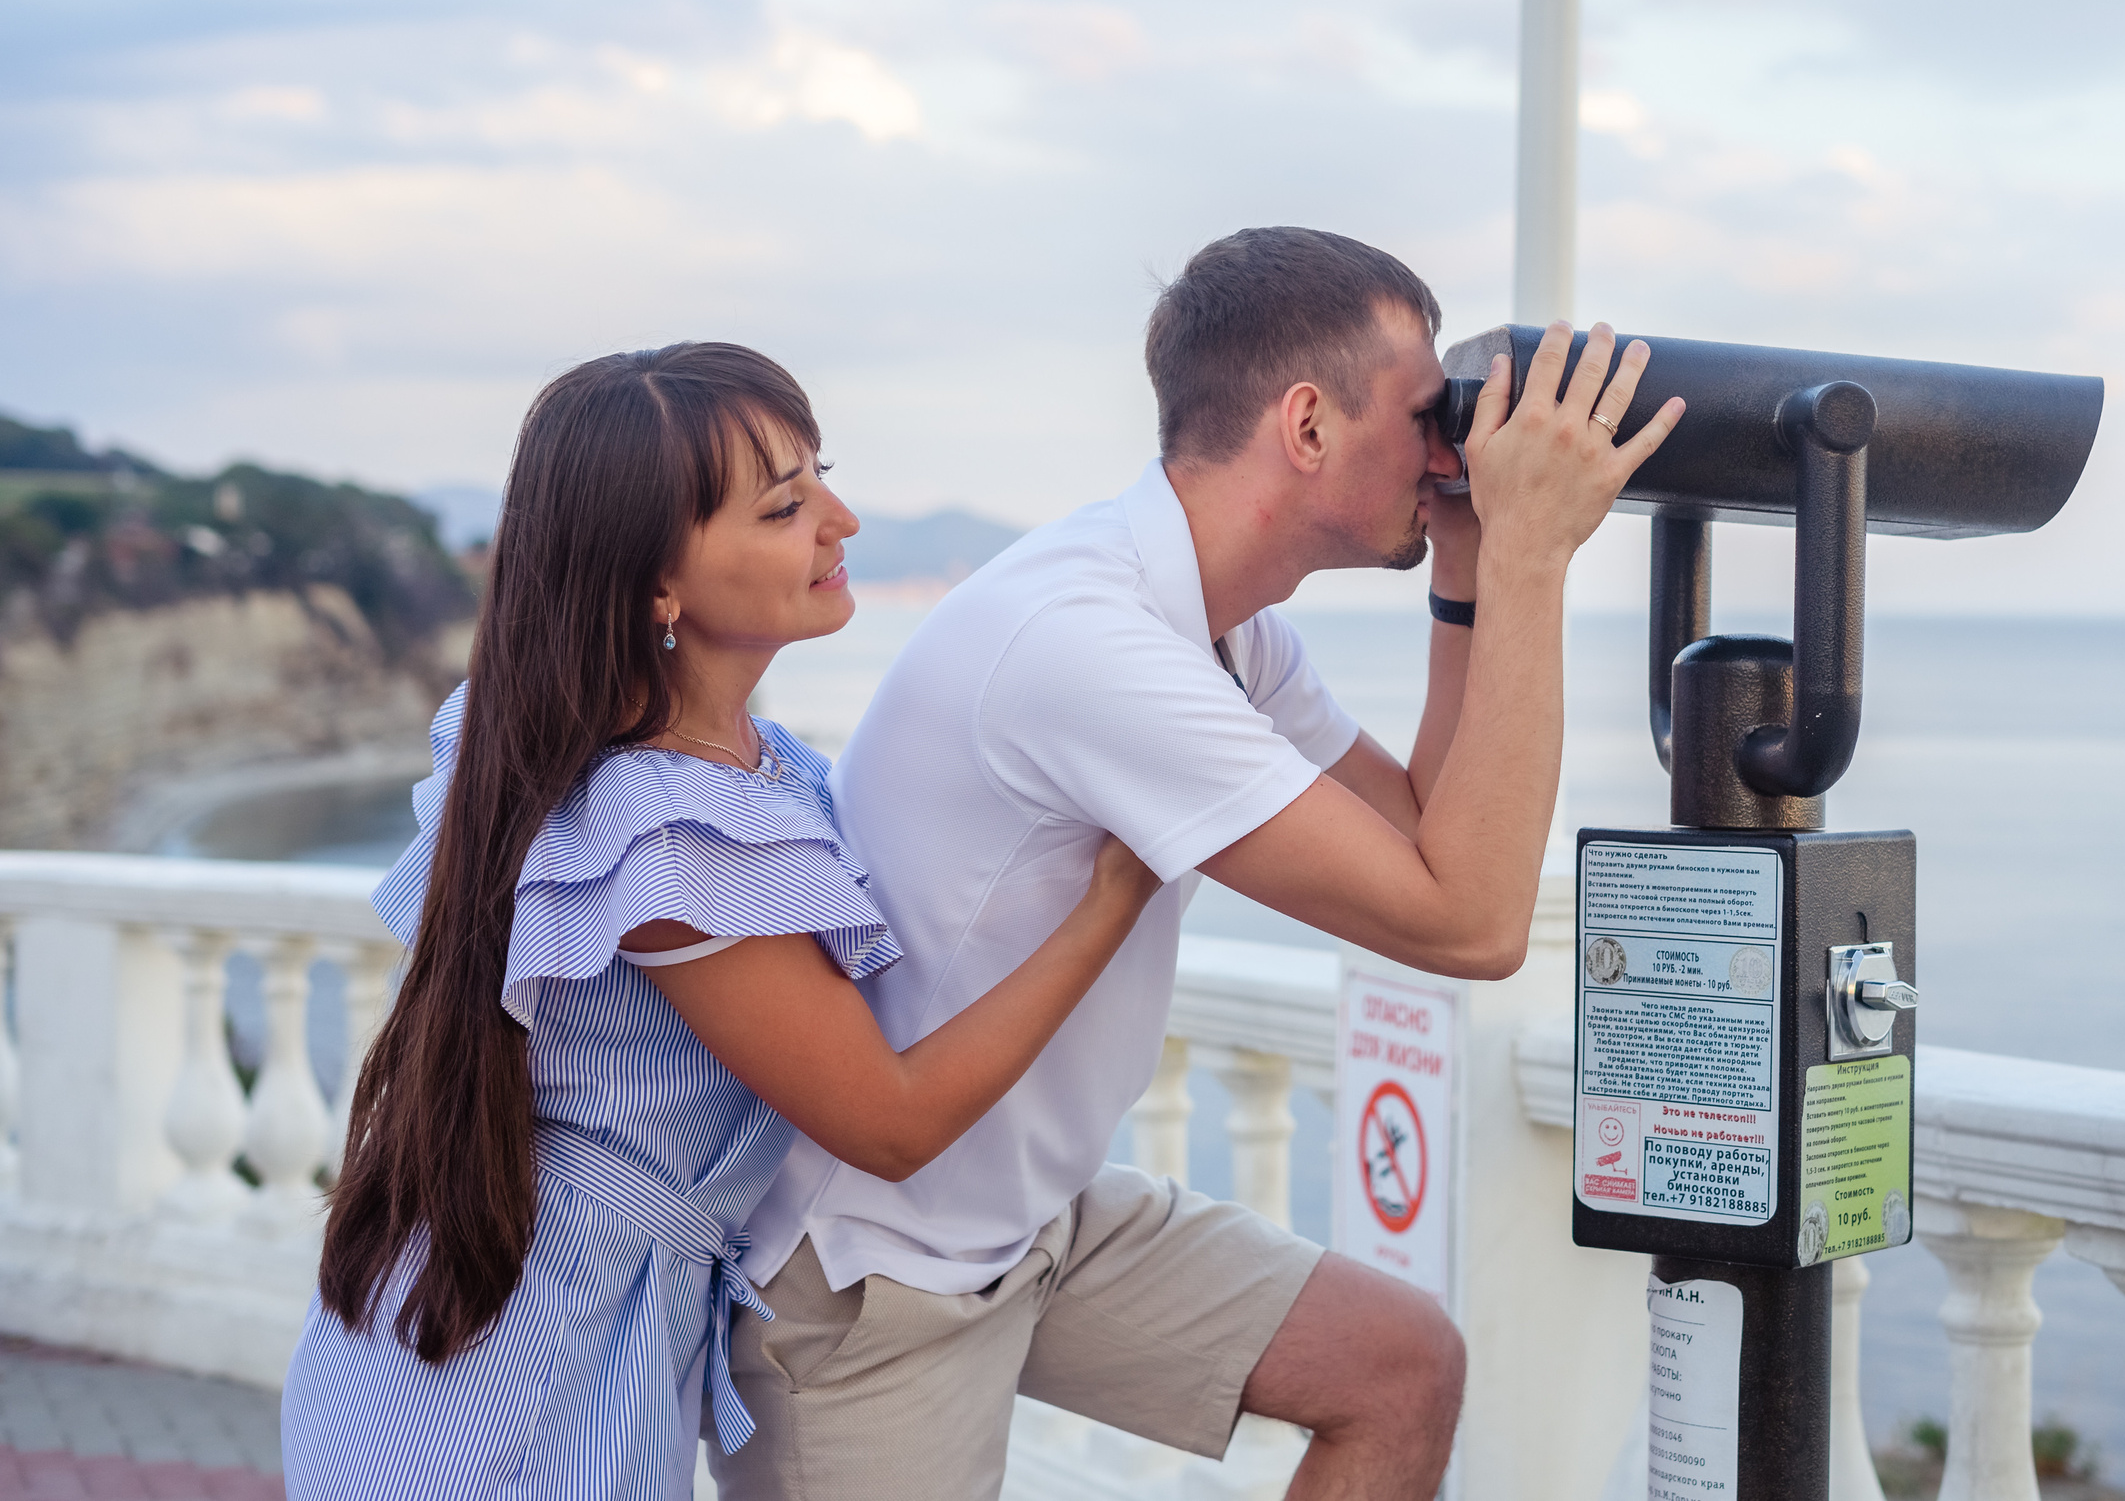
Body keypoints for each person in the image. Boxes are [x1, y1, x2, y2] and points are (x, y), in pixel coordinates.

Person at [720, 228, 1682, 1501]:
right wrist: (1536, 558)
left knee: (1396, 1373)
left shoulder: (1224, 631)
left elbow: (1424, 836)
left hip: (1030, 1222)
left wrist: (1470, 569)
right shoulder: (1092, 647)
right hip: (871, 1275)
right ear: (1306, 425)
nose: (1451, 453)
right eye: (1421, 415)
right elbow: (1474, 923)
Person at [282, 343, 1164, 1501]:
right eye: (786, 506)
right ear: (660, 588)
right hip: (535, 1363)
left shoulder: (659, 760)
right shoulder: (667, 831)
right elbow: (890, 1123)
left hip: (482, 1317)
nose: (840, 521)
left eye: (821, 479)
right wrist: (1112, 901)